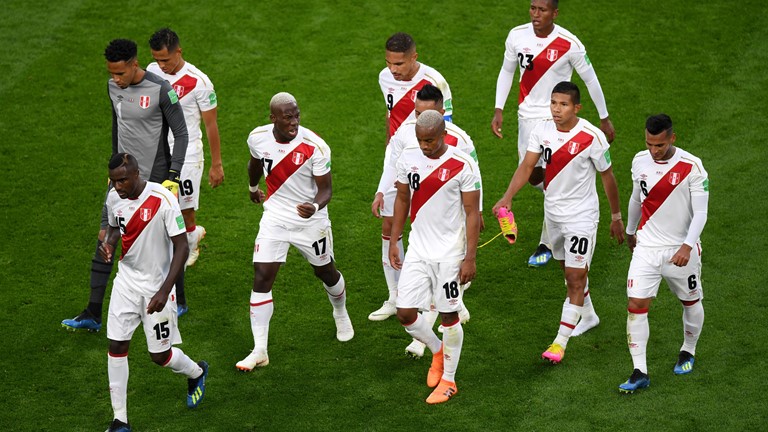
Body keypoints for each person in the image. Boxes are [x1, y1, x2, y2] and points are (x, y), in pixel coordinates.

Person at [62, 39, 188, 332]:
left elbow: (181, 134)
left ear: (135, 64)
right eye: (111, 73)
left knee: (168, 239)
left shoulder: (161, 90)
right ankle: (93, 312)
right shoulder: (112, 88)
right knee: (106, 233)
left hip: (155, 179)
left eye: (120, 73)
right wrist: (113, 167)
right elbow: (116, 126)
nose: (115, 80)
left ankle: (179, 300)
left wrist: (173, 176)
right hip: (120, 179)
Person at [493, 81, 624, 365]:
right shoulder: (541, 130)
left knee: (575, 277)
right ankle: (588, 316)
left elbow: (608, 177)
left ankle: (559, 342)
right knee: (568, 271)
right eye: (553, 103)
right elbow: (528, 167)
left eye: (563, 104)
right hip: (552, 213)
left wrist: (616, 217)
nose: (556, 109)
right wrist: (507, 198)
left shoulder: (592, 137)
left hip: (582, 217)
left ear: (577, 107)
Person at [491, 0, 616, 278]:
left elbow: (590, 79)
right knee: (535, 177)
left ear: (555, 13)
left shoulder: (569, 43)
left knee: (550, 176)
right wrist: (499, 108)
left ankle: (547, 242)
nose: (536, 14)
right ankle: (568, 204)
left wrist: (604, 116)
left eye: (542, 10)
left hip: (557, 115)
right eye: (533, 8)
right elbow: (507, 70)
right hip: (528, 119)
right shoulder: (517, 36)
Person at [236, 92, 353, 372]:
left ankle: (340, 311)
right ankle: (260, 349)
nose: (295, 121)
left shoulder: (316, 147)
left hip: (310, 221)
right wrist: (253, 188)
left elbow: (326, 190)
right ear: (273, 118)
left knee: (326, 272)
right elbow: (255, 163)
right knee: (262, 275)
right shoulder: (258, 137)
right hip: (275, 216)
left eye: (297, 115)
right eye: (288, 117)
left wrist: (314, 206)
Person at [371, 84, 481, 359]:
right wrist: (383, 195)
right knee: (407, 309)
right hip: (420, 240)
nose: (420, 121)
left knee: (445, 306)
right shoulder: (407, 139)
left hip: (450, 239)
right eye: (417, 113)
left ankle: (444, 368)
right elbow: (400, 188)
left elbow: (474, 185)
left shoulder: (461, 145)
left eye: (427, 114)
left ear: (442, 115)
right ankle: (436, 348)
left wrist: (476, 217)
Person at [101, 153, 207, 432]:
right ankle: (120, 420)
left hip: (157, 288)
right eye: (113, 181)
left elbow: (182, 247)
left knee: (159, 356)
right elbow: (114, 229)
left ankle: (197, 372)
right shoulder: (114, 197)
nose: (117, 187)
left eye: (122, 180)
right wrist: (110, 244)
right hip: (125, 282)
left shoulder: (162, 200)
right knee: (117, 345)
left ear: (137, 174)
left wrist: (164, 291)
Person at [390, 110, 481, 404]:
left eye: (430, 140)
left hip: (449, 254)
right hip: (418, 248)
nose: (425, 146)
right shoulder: (408, 158)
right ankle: (438, 350)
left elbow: (472, 212)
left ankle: (449, 381)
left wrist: (469, 257)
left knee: (448, 314)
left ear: (443, 135)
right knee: (405, 312)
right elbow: (403, 198)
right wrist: (394, 240)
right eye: (420, 140)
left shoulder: (463, 164)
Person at [618, 114, 709, 393]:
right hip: (647, 248)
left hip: (680, 251)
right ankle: (639, 371)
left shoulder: (692, 167)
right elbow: (636, 197)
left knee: (690, 302)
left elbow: (701, 213)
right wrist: (631, 230)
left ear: (672, 138)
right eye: (649, 144)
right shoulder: (639, 160)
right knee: (635, 305)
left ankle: (688, 350)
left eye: (659, 145)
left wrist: (687, 245)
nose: (653, 151)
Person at [147, 28, 224, 316]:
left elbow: (211, 125)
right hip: (158, 154)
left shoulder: (200, 82)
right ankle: (192, 238)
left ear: (178, 51)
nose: (161, 65)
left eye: (166, 59)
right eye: (157, 59)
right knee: (163, 213)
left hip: (188, 156)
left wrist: (216, 164)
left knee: (184, 212)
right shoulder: (152, 71)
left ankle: (191, 241)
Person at [379, 32, 453, 144]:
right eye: (388, 62)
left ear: (414, 57)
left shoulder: (435, 82)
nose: (392, 69)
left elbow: (445, 122)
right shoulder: (385, 77)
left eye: (399, 64)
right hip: (396, 148)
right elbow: (391, 111)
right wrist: (388, 142)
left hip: (421, 149)